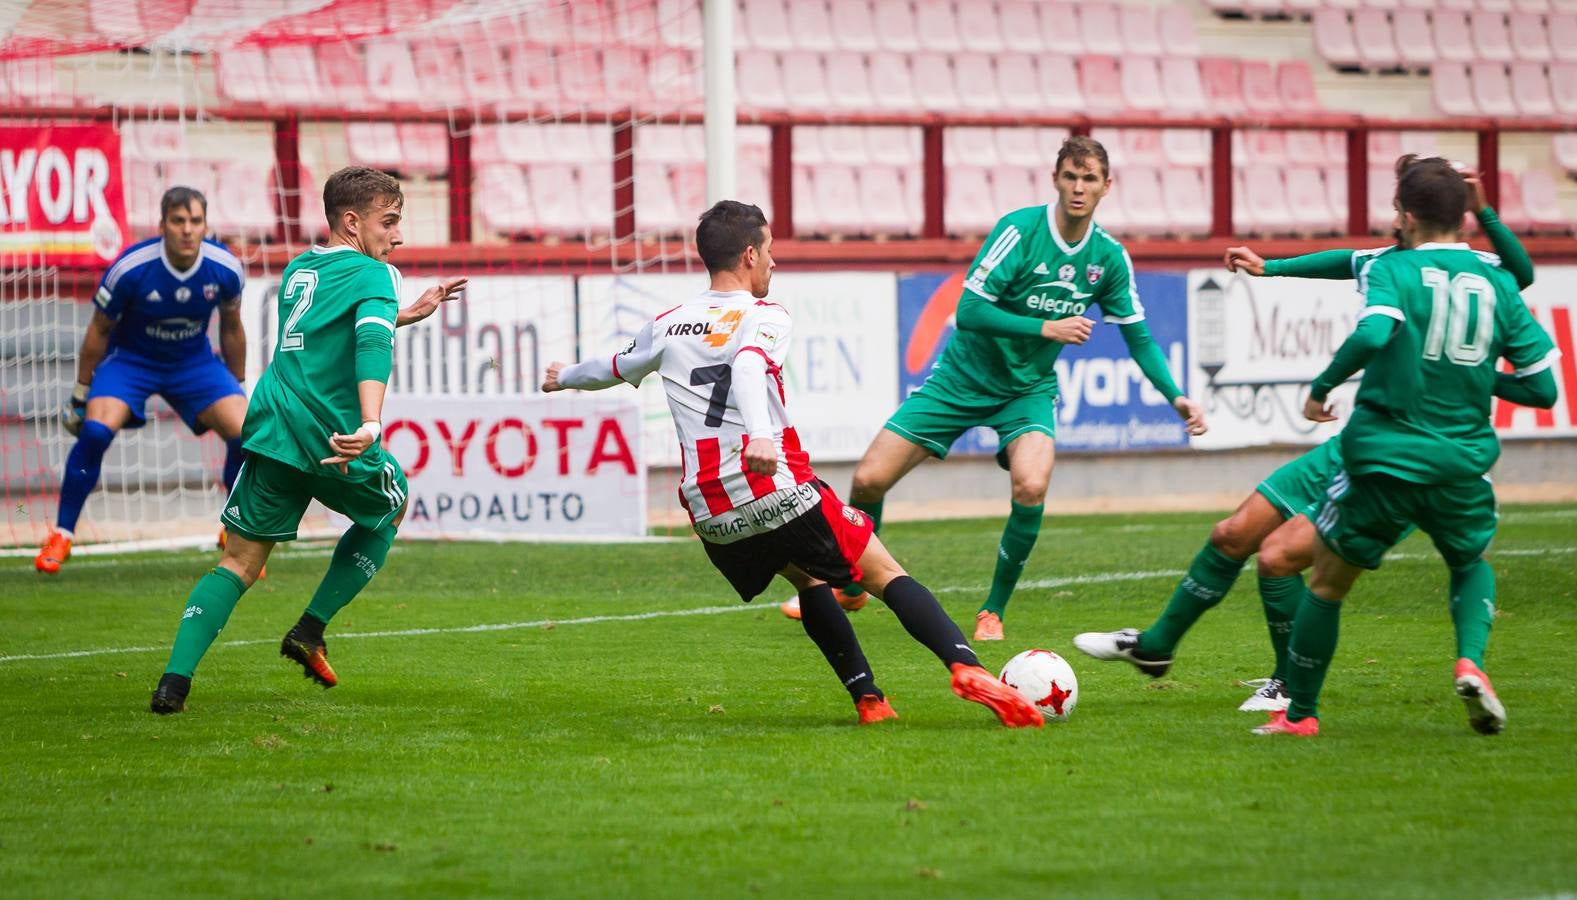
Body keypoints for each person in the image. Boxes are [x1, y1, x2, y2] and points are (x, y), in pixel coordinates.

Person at [543, 200, 1043, 728]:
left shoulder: (667, 326)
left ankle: (870, 701)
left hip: (712, 513)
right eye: (772, 252)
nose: (774, 264)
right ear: (751, 254)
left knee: (808, 581)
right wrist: (760, 435)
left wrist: (564, 376)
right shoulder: (765, 315)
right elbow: (748, 363)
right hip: (774, 484)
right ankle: (966, 666)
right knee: (887, 573)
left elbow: (612, 368)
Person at [1072, 161, 1540, 713]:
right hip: (1358, 444)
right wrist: (1269, 268)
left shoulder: (1472, 269)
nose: (1392, 214)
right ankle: (1156, 648)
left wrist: (1483, 210)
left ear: (1413, 214)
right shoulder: (1387, 261)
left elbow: (1520, 271)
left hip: (1401, 453)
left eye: (1398, 200)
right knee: (1232, 533)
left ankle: (1290, 685)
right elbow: (1342, 262)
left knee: (1278, 559)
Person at [800, 136, 1206, 641]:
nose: (1079, 189)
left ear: (1107, 187)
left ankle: (993, 609)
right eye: (1071, 177)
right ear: (1056, 179)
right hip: (960, 380)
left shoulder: (1108, 258)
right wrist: (1046, 329)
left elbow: (1139, 337)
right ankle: (854, 584)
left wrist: (1175, 395)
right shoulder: (1019, 230)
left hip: (1027, 391)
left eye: (1090, 180)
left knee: (1032, 484)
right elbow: (969, 312)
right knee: (868, 481)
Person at [1252, 157, 1558, 737]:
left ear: (1408, 217)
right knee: (1469, 562)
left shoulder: (1395, 269)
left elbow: (1374, 330)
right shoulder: (1495, 280)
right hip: (1461, 462)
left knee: (1326, 583)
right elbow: (1543, 387)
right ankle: (1470, 659)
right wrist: (1479, 377)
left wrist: (1321, 388)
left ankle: (1301, 715)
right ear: (1464, 215)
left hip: (1385, 458)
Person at [149, 167, 466, 714]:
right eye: (388, 223)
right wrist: (371, 422)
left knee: (240, 562)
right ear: (352, 222)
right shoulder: (376, 274)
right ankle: (310, 628)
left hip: (273, 426)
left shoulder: (301, 268)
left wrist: (404, 313)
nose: (398, 236)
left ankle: (173, 684)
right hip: (330, 432)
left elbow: (331, 332)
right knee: (391, 506)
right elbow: (370, 341)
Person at [35, 187, 247, 573]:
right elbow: (99, 330)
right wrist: (81, 393)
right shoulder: (130, 268)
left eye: (195, 222)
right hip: (131, 361)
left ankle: (234, 531)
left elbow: (232, 328)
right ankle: (62, 534)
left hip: (192, 362)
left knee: (248, 432)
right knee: (96, 433)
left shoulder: (225, 268)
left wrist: (238, 387)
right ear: (162, 224)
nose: (187, 230)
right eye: (178, 221)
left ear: (205, 226)